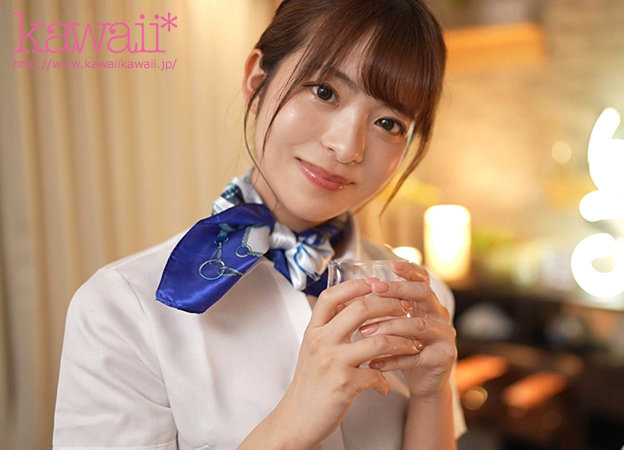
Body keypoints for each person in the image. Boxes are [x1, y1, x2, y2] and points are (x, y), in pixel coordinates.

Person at [53, 0, 466, 449]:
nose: (348, 147)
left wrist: (432, 396)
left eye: (388, 122)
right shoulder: (122, 308)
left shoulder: (419, 301)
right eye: (324, 92)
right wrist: (294, 421)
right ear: (256, 80)